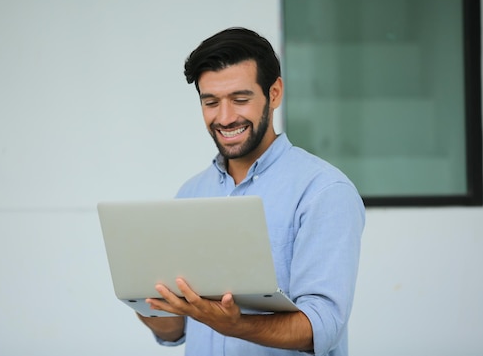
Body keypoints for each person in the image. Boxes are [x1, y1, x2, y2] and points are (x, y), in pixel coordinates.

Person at [137, 27, 365, 356]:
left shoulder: (324, 191)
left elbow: (323, 326)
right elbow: (175, 331)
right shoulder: (191, 193)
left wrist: (236, 324)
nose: (225, 117)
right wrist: (147, 300)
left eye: (240, 99)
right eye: (211, 102)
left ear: (274, 94)